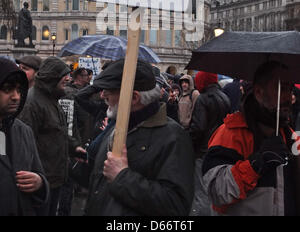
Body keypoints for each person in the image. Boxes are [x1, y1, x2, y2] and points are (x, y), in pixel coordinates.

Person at [84, 58, 195, 216]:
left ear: (134, 98)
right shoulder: (117, 128)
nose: (102, 95)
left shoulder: (173, 138)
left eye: (109, 89)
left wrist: (122, 177)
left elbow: (175, 205)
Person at [203, 61, 300, 216]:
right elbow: (216, 190)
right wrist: (256, 164)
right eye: (280, 88)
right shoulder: (230, 133)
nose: (288, 96)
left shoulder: (290, 136)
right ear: (259, 92)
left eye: (290, 89)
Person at [19, 56, 85, 216]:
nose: (68, 79)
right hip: (41, 181)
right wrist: (35, 177)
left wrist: (74, 147)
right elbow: (25, 146)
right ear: (52, 79)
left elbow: (58, 132)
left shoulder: (52, 100)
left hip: (53, 179)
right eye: (64, 76)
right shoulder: (32, 103)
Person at [0, 58, 49, 216]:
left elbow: (38, 172)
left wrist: (39, 183)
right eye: (7, 89)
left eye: (19, 90)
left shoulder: (24, 131)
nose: (16, 97)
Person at [189, 71, 231, 216]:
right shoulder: (224, 97)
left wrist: (190, 144)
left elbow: (198, 127)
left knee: (201, 190)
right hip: (219, 148)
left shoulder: (203, 99)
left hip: (203, 150)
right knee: (214, 189)